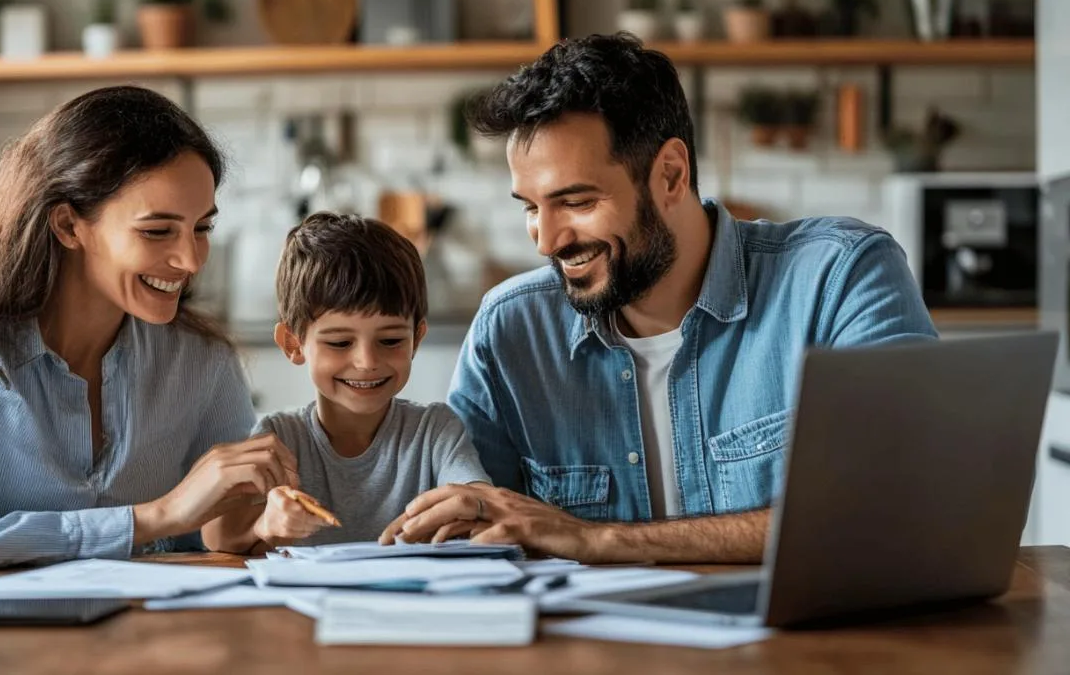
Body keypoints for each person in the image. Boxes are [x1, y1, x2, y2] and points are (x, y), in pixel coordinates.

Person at [380, 33, 937, 563]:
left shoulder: (838, 277)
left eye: (575, 201)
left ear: (670, 174)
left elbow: (904, 504)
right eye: (530, 206)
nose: (547, 241)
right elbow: (466, 533)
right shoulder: (509, 331)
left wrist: (598, 540)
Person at [0, 86, 298, 573]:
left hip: (156, 640)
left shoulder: (202, 359)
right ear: (68, 226)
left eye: (201, 228)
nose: (190, 260)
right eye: (157, 231)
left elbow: (221, 537)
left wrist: (262, 523)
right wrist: (151, 518)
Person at [204, 213, 490, 553]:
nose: (367, 362)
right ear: (293, 344)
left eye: (390, 341)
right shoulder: (278, 438)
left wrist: (467, 512)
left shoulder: (436, 432)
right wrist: (266, 523)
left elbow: (481, 503)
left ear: (416, 338)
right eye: (340, 343)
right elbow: (217, 535)